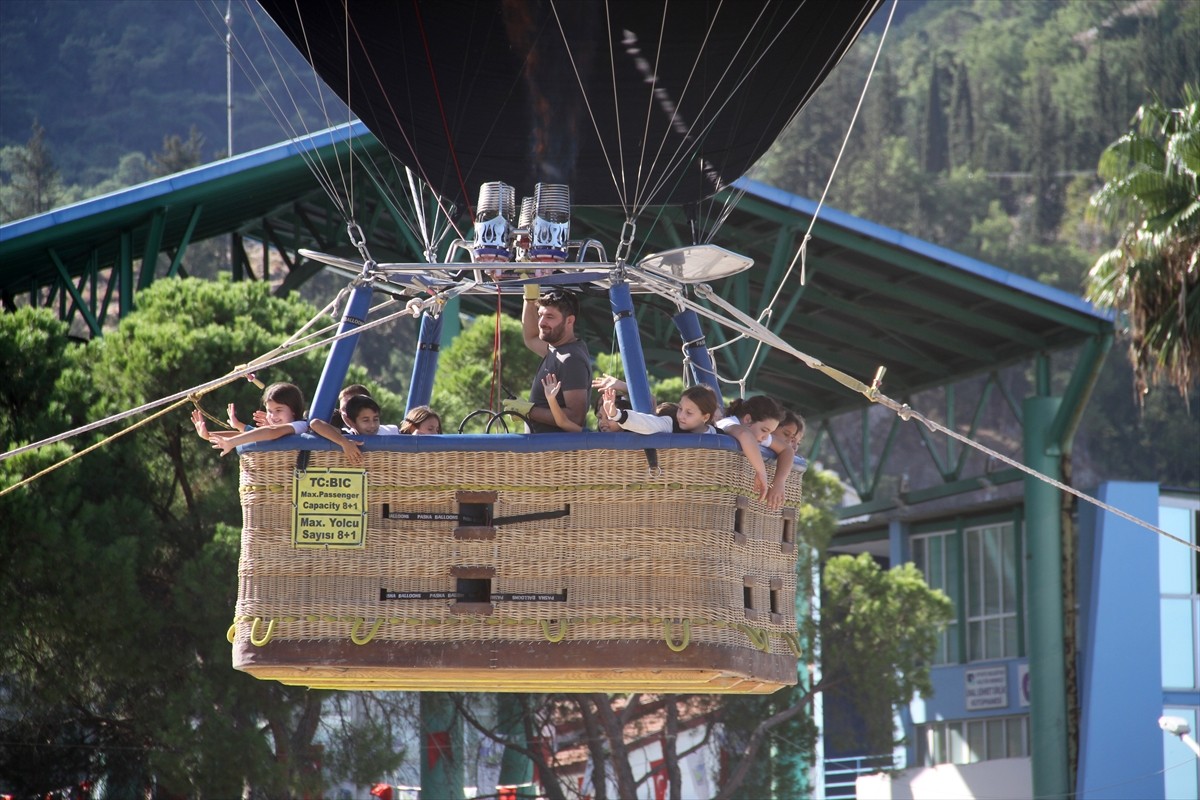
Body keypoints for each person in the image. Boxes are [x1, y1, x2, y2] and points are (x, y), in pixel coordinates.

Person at [601, 384, 781, 506]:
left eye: (689, 412)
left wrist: (761, 472)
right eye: (680, 409)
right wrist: (617, 414)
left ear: (705, 417)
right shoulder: (670, 423)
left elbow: (745, 435)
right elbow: (647, 423)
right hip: (669, 495)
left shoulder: (718, 434)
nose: (681, 416)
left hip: (706, 500)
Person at [192, 382, 364, 466]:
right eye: (269, 410)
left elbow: (271, 432)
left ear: (293, 411)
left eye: (279, 410)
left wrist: (232, 442)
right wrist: (209, 436)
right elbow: (246, 436)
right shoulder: (281, 428)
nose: (273, 416)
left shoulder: (300, 426)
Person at [507, 286, 591, 433]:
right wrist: (529, 299)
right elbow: (531, 337)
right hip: (543, 446)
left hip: (557, 447)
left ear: (569, 321)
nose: (541, 322)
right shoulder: (557, 349)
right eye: (540, 315)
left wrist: (528, 411)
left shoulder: (570, 359)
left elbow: (575, 418)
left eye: (550, 317)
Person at [716, 395, 796, 511]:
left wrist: (779, 482)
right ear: (748, 420)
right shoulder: (727, 423)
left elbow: (787, 450)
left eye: (770, 432)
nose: (766, 437)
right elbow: (744, 434)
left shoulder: (757, 433)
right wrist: (761, 472)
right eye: (764, 430)